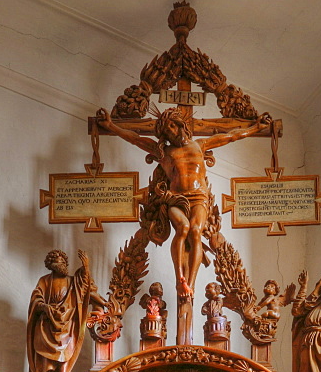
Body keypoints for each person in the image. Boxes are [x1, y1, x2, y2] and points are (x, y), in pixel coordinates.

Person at [95, 106, 271, 310]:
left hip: (198, 198)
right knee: (183, 228)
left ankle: (191, 282)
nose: (170, 132)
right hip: (175, 199)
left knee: (195, 231)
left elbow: (231, 136)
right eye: (166, 131)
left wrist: (256, 127)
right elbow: (135, 138)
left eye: (172, 126)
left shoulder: (200, 145)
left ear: (180, 125)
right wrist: (110, 126)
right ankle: (180, 278)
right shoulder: (164, 152)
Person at [26, 248, 106, 372]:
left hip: (67, 322)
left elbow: (85, 286)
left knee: (66, 351)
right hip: (47, 322)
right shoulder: (44, 281)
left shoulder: (71, 281)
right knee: (44, 352)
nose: (62, 265)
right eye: (58, 262)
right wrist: (44, 307)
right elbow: (36, 298)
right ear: (51, 265)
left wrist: (86, 267)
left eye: (63, 262)